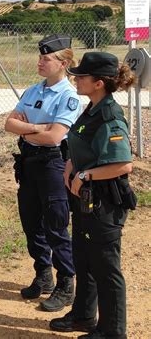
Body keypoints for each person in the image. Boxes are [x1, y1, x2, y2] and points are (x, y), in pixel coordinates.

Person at [50, 52, 136, 339]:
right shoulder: (91, 109)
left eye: (82, 76)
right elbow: (82, 143)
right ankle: (84, 315)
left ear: (98, 83)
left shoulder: (110, 115)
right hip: (85, 198)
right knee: (84, 258)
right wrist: (72, 165)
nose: (76, 79)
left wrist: (85, 175)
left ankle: (112, 331)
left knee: (105, 266)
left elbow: (123, 164)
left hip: (104, 201)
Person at [4, 34, 81, 311]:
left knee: (56, 225)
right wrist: (39, 128)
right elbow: (8, 123)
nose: (40, 62)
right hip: (28, 163)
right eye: (40, 57)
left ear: (63, 63)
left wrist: (34, 130)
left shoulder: (69, 97)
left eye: (46, 59)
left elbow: (55, 138)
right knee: (31, 223)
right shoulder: (33, 91)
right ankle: (43, 275)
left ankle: (65, 284)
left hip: (52, 164)